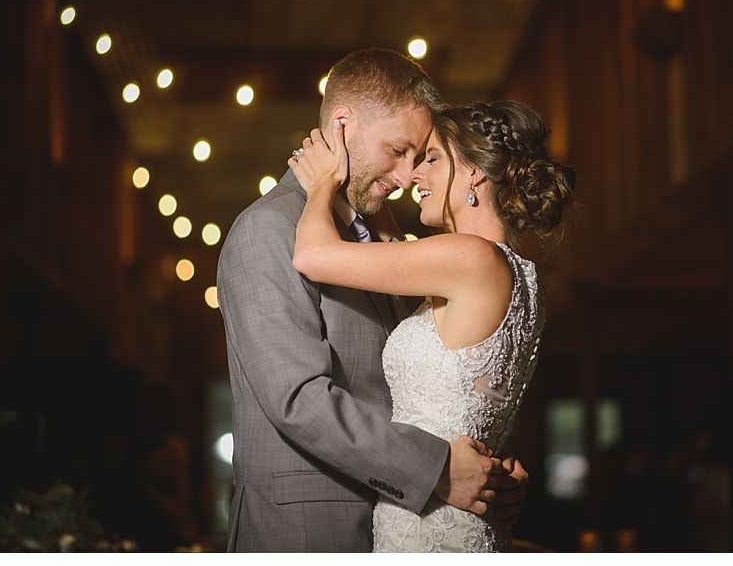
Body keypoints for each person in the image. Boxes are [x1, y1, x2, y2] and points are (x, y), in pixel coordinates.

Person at [216, 49, 528, 552]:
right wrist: (440, 470)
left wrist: (485, 469)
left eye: (420, 157)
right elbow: (297, 400)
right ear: (342, 126)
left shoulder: (373, 238)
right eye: (398, 150)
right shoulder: (266, 230)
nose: (406, 178)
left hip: (398, 524)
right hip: (307, 534)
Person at [287, 99, 576, 551]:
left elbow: (311, 256)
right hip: (462, 516)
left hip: (430, 523)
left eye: (432, 159)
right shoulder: (522, 275)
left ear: (476, 173)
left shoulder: (468, 257)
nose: (414, 176)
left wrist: (324, 182)